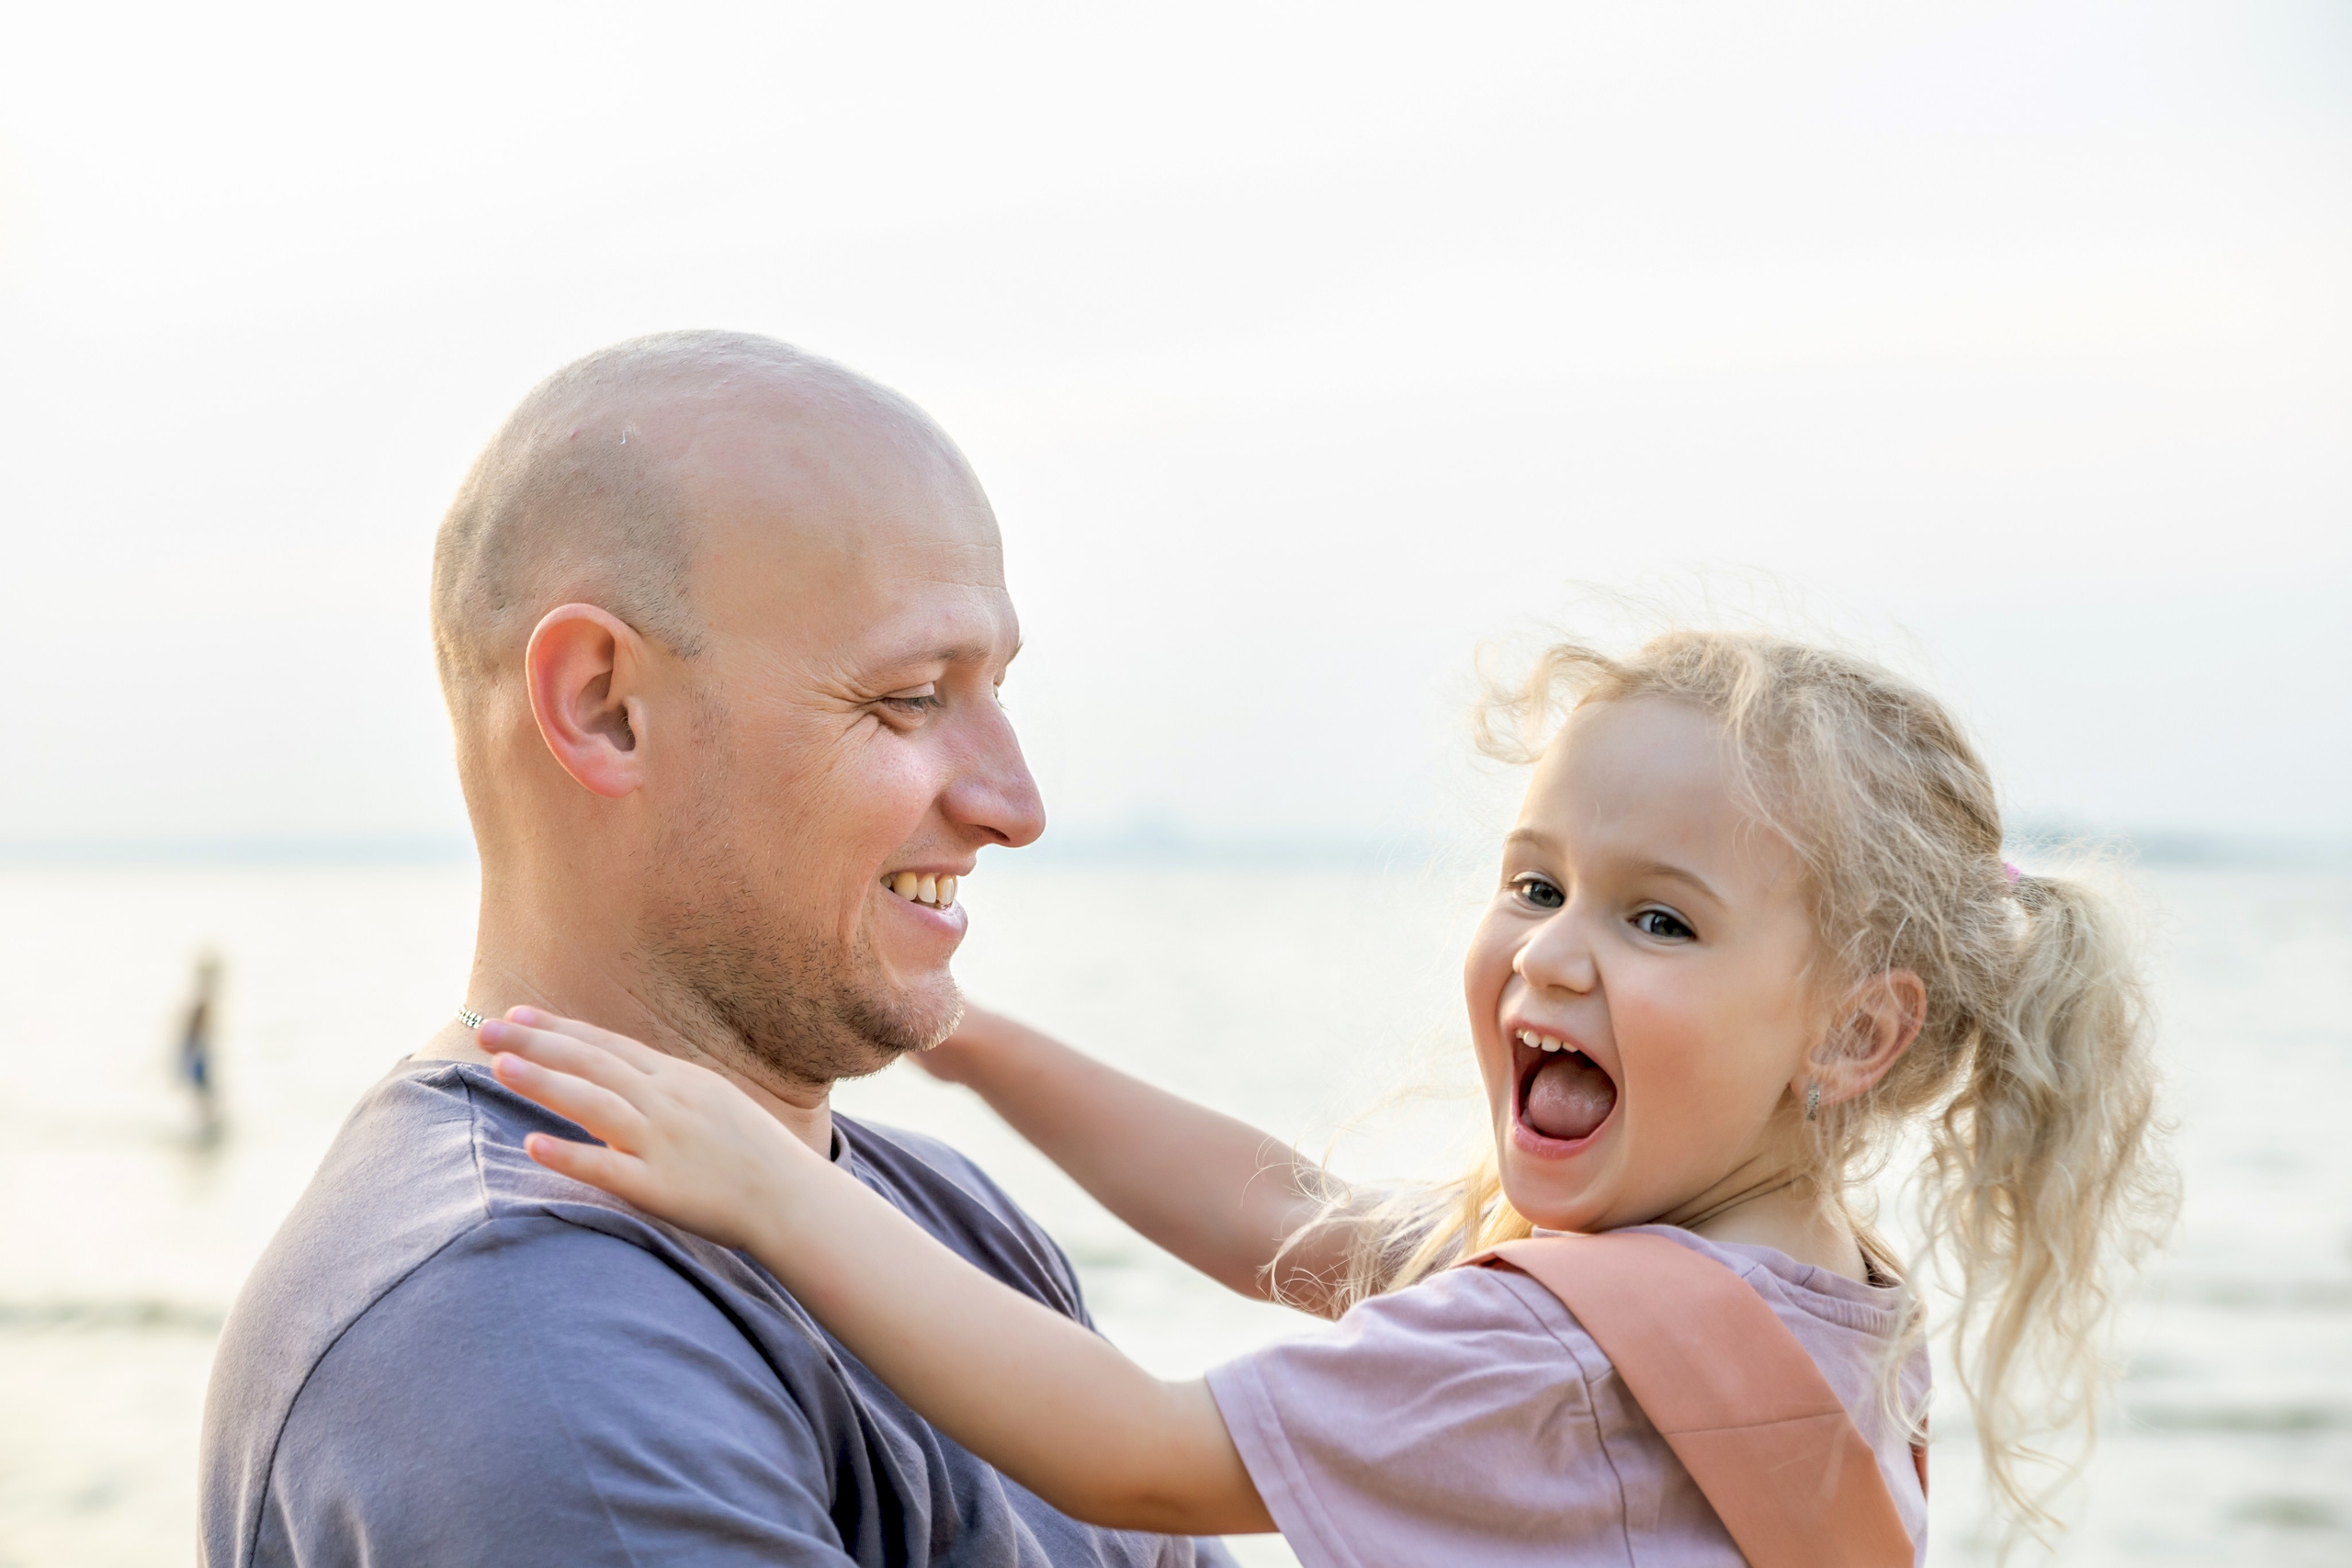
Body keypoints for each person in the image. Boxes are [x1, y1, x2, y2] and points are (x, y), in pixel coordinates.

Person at [479, 629, 2177, 1566]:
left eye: (1658, 919)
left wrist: (771, 1187)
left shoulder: (1561, 1358)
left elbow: (1136, 1458)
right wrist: (963, 1036)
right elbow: (1278, 1218)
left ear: (1857, 1036)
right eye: (1535, 884)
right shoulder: (1802, 1302)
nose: (1554, 957)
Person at [199, 331, 1236, 1568]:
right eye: (910, 696)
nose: (1015, 804)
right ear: (605, 708)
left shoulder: (946, 1219)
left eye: (997, 689)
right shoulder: (529, 1336)